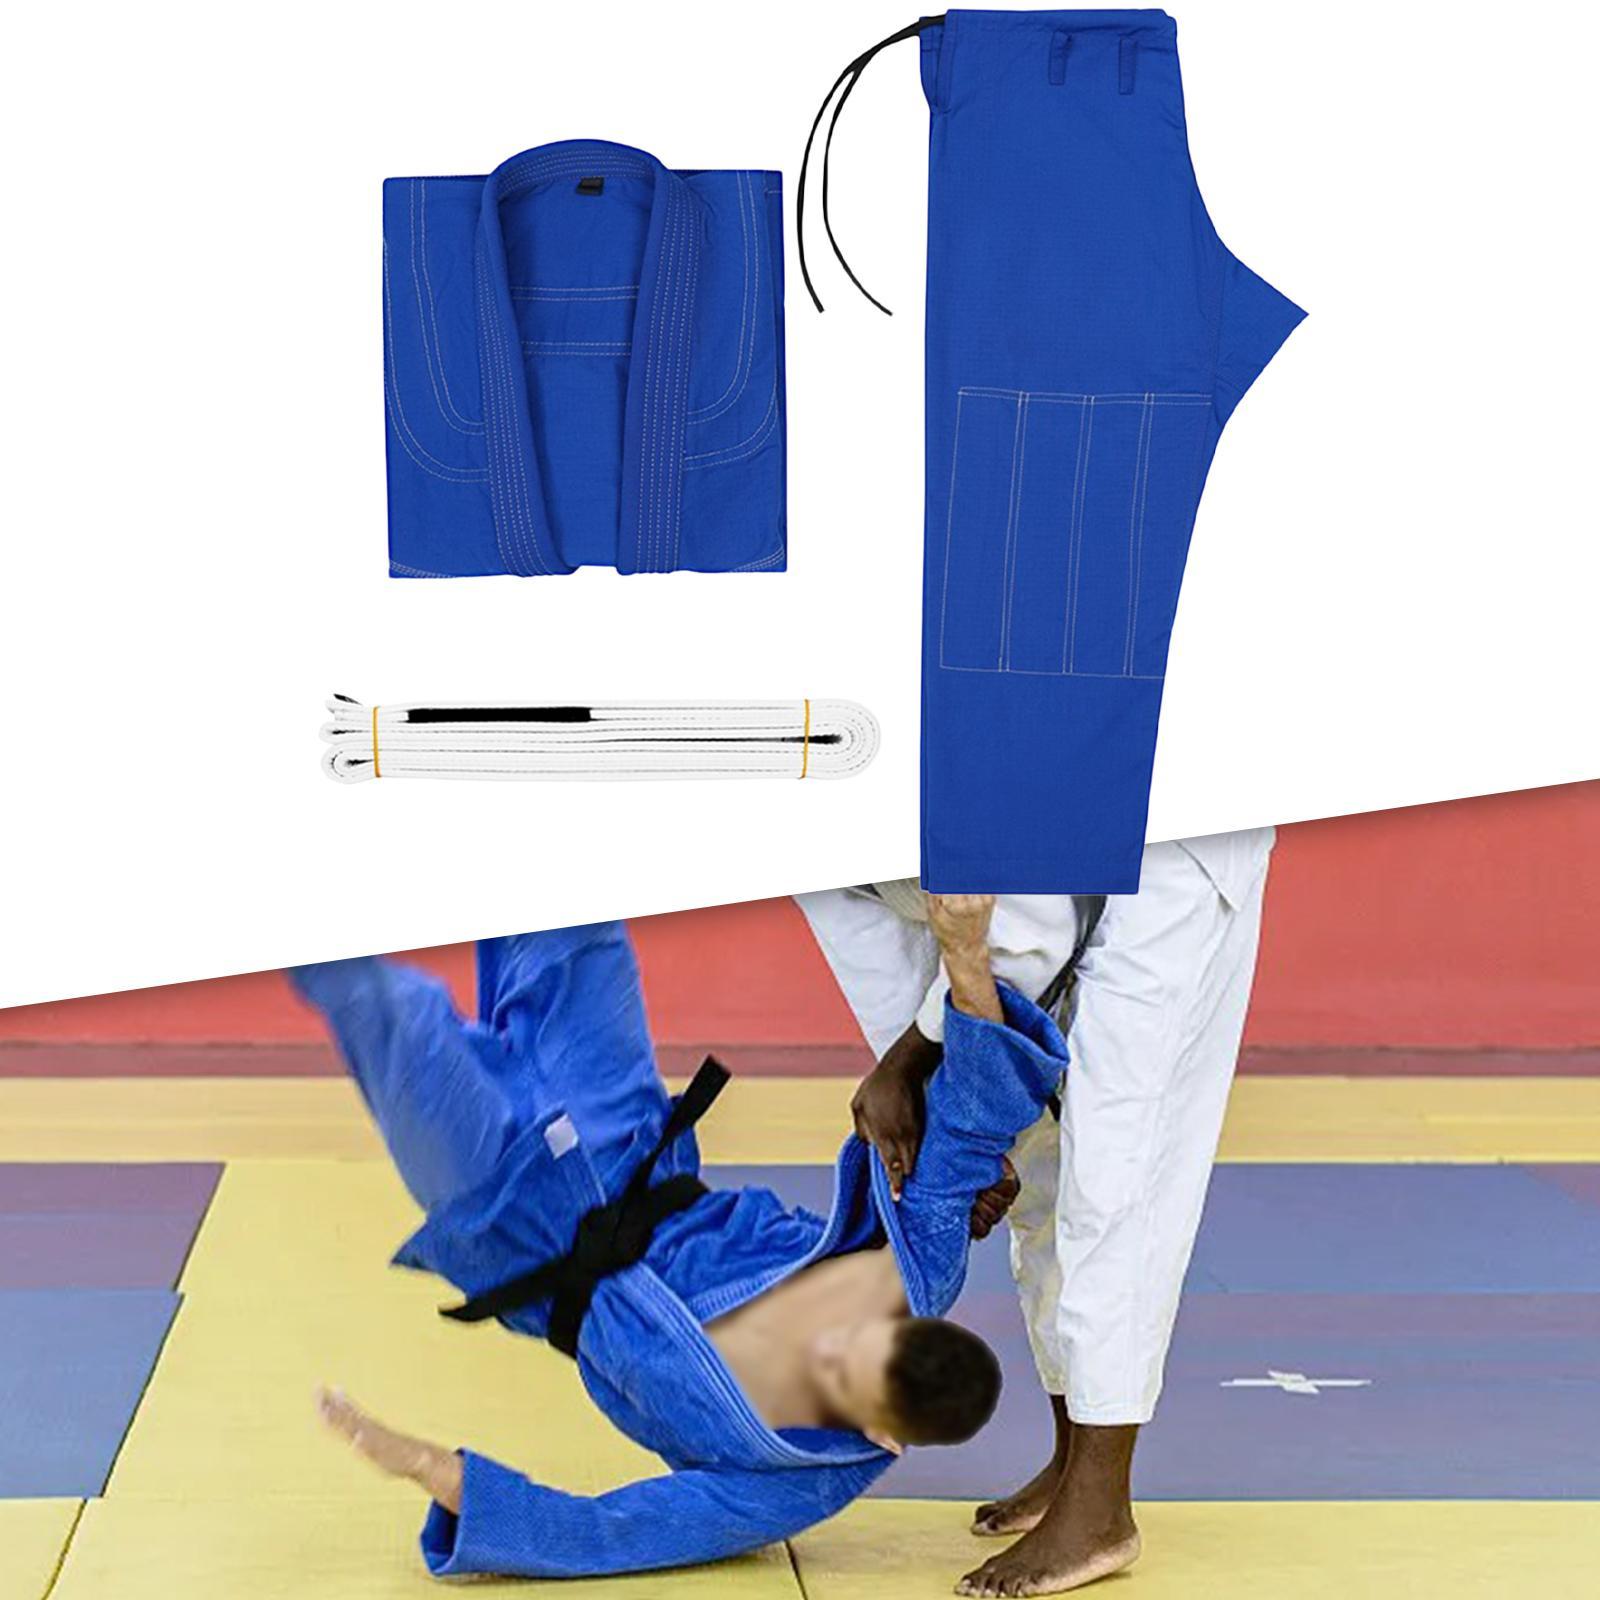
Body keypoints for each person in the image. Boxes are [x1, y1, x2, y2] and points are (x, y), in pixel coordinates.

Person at [289, 896, 1056, 1580]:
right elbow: (972, 1117)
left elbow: (611, 1532)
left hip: (509, 1215)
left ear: (881, 1435)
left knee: (385, 1005)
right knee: (573, 908)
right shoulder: (912, 1269)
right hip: (622, 1133)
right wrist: (966, 950)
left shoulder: (794, 1479)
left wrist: (422, 1464)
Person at [797, 828, 1275, 1596]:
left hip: (1176, 846)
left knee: (1117, 1156)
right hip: (1041, 851)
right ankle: (1070, 1460)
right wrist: (956, 1128)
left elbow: (1033, 934)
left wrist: (922, 1069)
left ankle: (1102, 1505)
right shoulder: (795, 837)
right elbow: (890, 973)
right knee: (1039, 1163)